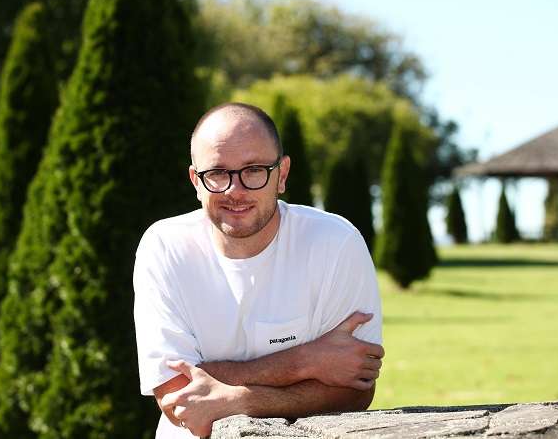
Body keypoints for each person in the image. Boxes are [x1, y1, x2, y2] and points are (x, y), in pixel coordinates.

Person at [133, 102, 384, 438]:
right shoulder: (164, 247)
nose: (235, 191)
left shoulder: (335, 244)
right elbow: (177, 395)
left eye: (253, 170)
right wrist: (307, 361)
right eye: (218, 173)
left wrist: (235, 399)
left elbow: (356, 390)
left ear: (281, 175)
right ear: (196, 181)